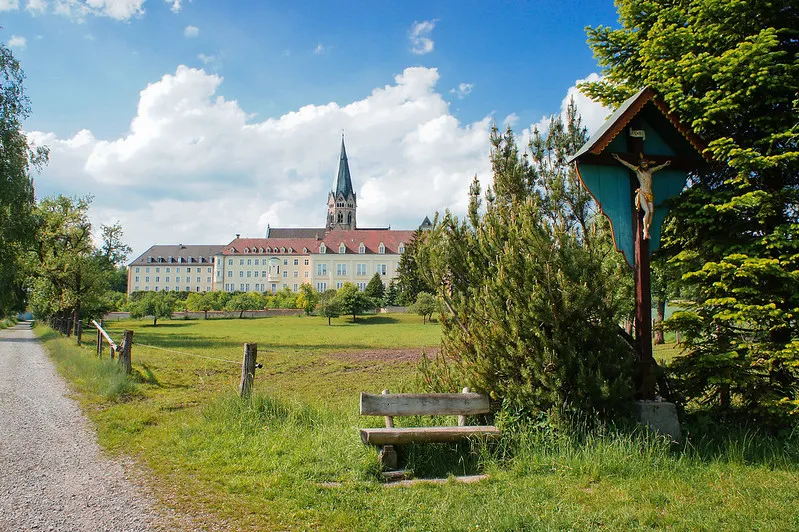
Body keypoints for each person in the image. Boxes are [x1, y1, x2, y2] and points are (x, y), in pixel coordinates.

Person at [612, 152, 671, 240]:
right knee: (647, 211)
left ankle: (646, 230)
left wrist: (665, 164)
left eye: (646, 164)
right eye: (643, 164)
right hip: (642, 193)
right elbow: (628, 165)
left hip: (650, 194)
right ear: (640, 165)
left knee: (651, 213)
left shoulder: (650, 171)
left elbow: (658, 167)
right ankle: (645, 231)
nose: (645, 165)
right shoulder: (638, 171)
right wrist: (618, 158)